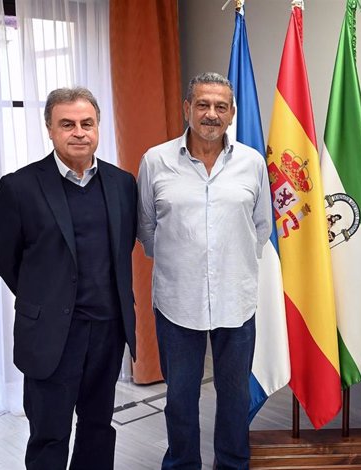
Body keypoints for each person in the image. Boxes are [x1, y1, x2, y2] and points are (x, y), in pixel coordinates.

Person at [0, 87, 137, 470]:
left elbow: (124, 250)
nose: (78, 132)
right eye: (67, 124)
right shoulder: (19, 187)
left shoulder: (122, 184)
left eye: (87, 123)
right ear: (50, 130)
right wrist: (44, 299)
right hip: (52, 335)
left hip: (108, 330)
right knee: (49, 434)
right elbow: (4, 257)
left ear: (97, 128)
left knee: (98, 427)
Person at [137, 72, 271, 469]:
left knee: (234, 396)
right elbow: (147, 229)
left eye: (220, 107)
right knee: (179, 397)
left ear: (231, 114)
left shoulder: (252, 163)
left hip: (236, 299)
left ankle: (231, 463)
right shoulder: (155, 160)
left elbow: (261, 227)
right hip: (178, 301)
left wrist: (231, 263)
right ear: (187, 109)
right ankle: (182, 464)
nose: (211, 114)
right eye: (202, 104)